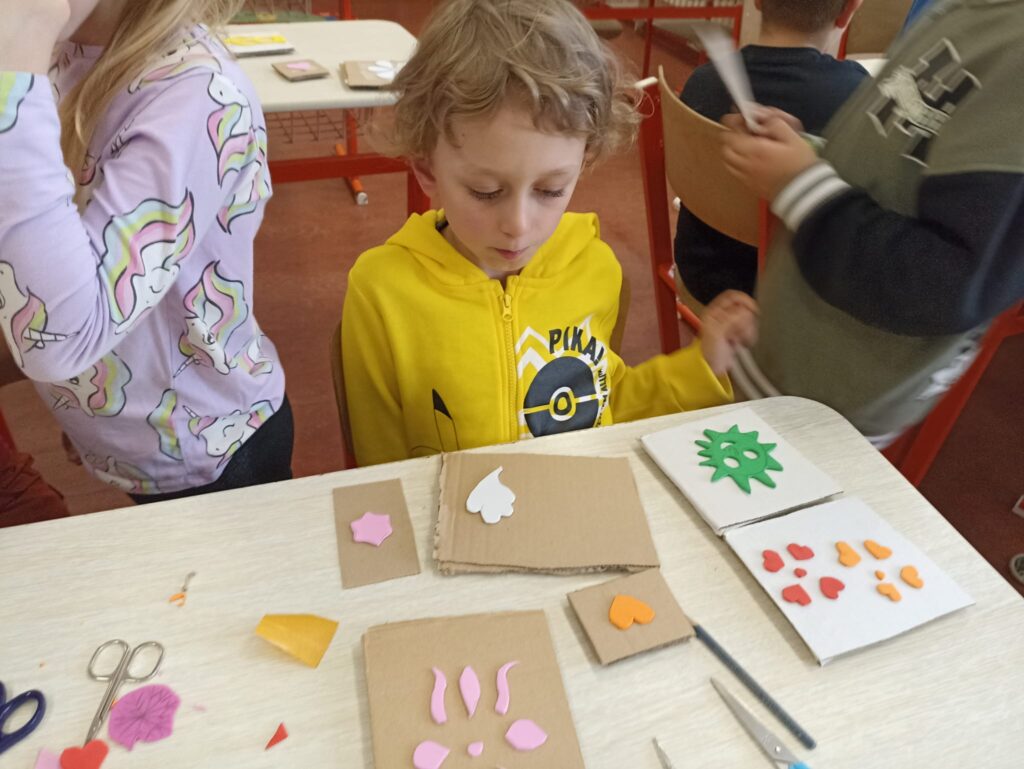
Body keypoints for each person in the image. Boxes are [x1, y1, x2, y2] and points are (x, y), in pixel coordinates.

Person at [342, 0, 758, 467]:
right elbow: (379, 469)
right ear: (426, 171)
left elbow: (603, 407)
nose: (519, 225)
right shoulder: (382, 293)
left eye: (551, 189)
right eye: (485, 191)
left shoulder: (596, 270)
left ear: (585, 160)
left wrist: (701, 366)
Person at [0, 0, 291, 503]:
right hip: (138, 433)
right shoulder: (67, 50)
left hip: (211, 453)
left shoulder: (199, 95)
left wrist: (14, 63)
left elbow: (62, 338)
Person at [720, 0, 1024, 445]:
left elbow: (950, 284)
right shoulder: (966, 10)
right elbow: (900, 159)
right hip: (784, 347)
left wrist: (799, 183)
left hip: (833, 400)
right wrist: (807, 153)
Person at [675, 0, 866, 307]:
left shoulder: (702, 81)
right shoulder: (859, 96)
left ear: (758, 2)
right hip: (795, 301)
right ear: (849, 10)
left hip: (701, 274)